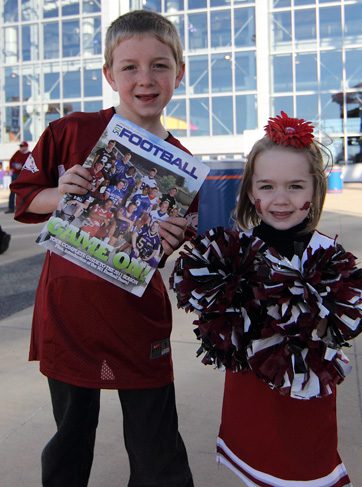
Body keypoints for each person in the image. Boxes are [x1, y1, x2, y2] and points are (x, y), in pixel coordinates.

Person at [11, 10, 197, 487]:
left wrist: (175, 239)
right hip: (69, 315)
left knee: (157, 448)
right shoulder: (70, 131)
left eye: (159, 65)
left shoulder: (182, 165)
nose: (145, 79)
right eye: (130, 67)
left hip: (138, 321)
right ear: (109, 74)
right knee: (72, 438)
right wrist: (62, 192)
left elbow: (167, 247)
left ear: (180, 71)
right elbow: (26, 195)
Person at [171, 112, 362, 487]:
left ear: (315, 189)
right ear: (250, 191)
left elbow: (342, 328)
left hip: (303, 409)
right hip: (249, 406)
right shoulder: (230, 253)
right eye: (266, 187)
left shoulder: (329, 256)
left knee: (305, 473)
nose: (280, 200)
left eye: (295, 186)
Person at [5, 141, 31, 213]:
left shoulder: (30, 154)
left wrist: (22, 167)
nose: (21, 148)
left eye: (22, 146)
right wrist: (14, 166)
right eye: (20, 146)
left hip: (24, 176)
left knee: (25, 192)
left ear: (26, 147)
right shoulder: (17, 153)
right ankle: (11, 208)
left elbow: (31, 165)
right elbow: (11, 161)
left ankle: (25, 208)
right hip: (15, 174)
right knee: (12, 191)